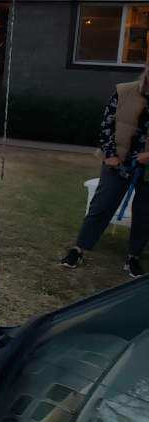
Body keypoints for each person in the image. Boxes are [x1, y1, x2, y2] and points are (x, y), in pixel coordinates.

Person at [61, 65, 149, 277]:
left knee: (145, 214)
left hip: (146, 166)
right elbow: (107, 124)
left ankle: (133, 257)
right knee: (101, 205)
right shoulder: (125, 91)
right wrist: (109, 155)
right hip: (118, 161)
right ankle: (79, 249)